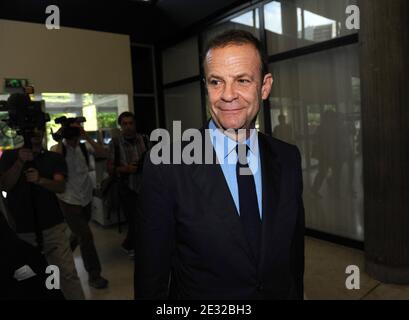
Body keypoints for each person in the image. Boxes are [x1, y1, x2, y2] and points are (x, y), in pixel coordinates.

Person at [135, 30, 305, 300]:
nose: (228, 95)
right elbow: (151, 276)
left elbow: (293, 257)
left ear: (265, 86)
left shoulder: (288, 159)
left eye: (242, 80)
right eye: (216, 82)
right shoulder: (166, 165)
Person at [0, 98, 85, 300]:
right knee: (30, 280)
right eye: (32, 129)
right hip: (22, 232)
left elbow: (60, 186)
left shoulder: (53, 158)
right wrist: (21, 161)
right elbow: (4, 185)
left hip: (53, 229)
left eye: (39, 128)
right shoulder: (10, 157)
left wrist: (40, 180)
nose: (36, 133)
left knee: (67, 274)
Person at [50, 118, 109, 289]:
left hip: (86, 198)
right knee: (86, 236)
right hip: (68, 199)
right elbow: (57, 159)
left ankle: (58, 260)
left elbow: (104, 153)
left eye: (75, 131)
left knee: (78, 234)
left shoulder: (85, 146)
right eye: (70, 132)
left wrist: (86, 136)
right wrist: (61, 138)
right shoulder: (58, 148)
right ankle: (94, 275)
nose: (73, 135)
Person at [107, 112, 149, 257]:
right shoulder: (115, 143)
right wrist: (126, 169)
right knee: (134, 219)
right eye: (125, 124)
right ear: (120, 126)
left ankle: (131, 244)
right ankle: (136, 248)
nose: (128, 126)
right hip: (127, 186)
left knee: (144, 218)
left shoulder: (144, 139)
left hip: (144, 185)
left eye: (131, 123)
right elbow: (110, 168)